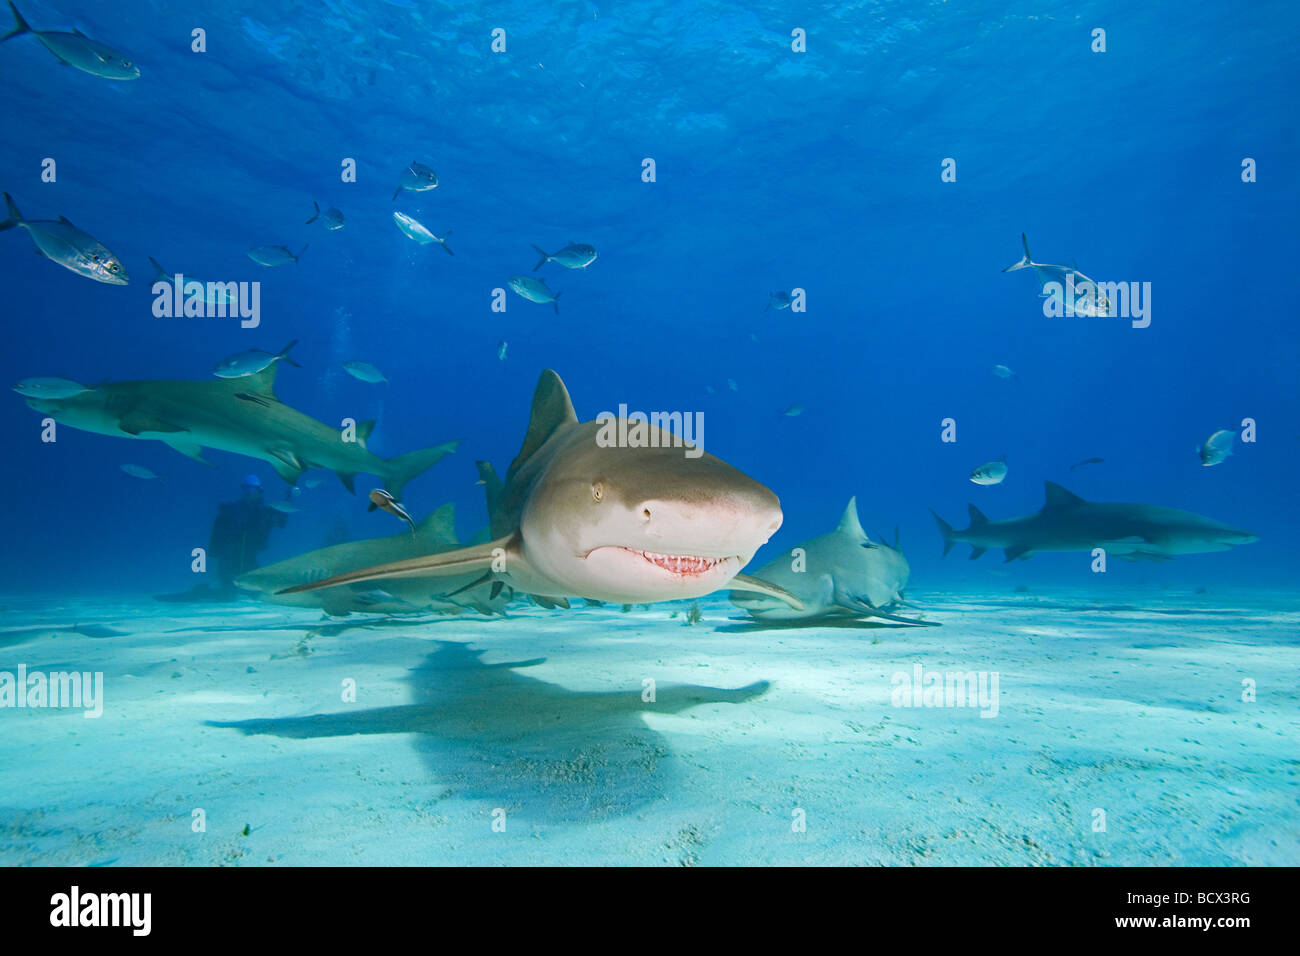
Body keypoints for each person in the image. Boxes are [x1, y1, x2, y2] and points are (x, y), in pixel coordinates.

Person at [208, 474, 287, 591]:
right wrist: (214, 553)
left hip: (249, 557)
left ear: (260, 491)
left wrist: (287, 501)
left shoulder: (265, 512)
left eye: (253, 490)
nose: (250, 493)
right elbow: (217, 533)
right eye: (247, 490)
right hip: (228, 556)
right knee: (227, 594)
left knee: (256, 591)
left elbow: (281, 523)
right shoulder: (230, 510)